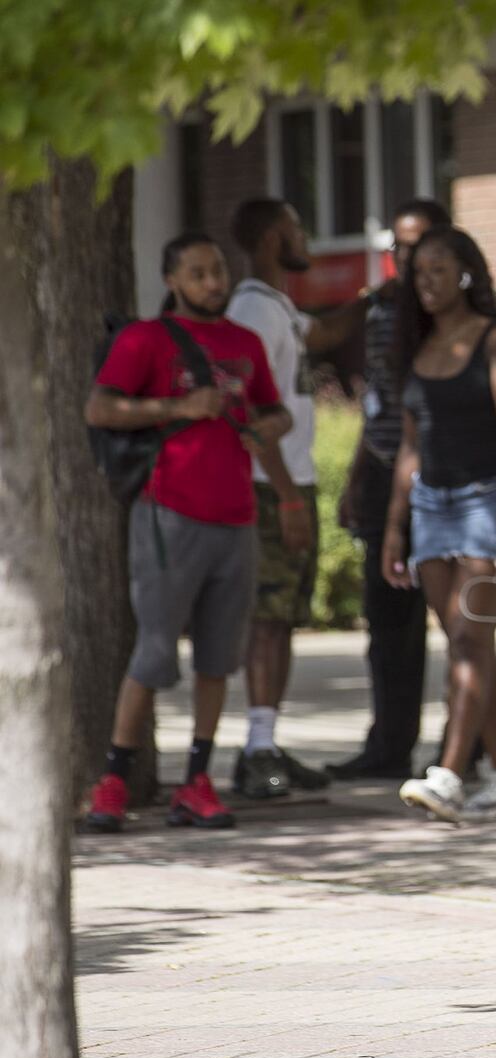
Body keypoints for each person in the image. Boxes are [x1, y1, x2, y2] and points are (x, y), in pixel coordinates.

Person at [83, 233, 292, 833]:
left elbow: (274, 410)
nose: (213, 282)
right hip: (168, 514)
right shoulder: (145, 339)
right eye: (198, 273)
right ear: (173, 279)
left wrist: (264, 429)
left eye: (218, 270)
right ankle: (114, 779)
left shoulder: (246, 343)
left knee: (218, 659)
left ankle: (197, 781)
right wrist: (177, 409)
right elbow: (100, 409)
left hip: (237, 519)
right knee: (153, 651)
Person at [383, 226, 496, 823]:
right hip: (431, 511)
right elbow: (409, 447)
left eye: (438, 271)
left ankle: (448, 775)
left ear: (466, 274)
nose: (425, 282)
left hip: (488, 504)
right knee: (467, 642)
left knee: (470, 637)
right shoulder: (419, 351)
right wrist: (396, 529)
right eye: (418, 273)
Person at [226, 197, 371, 797]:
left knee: (283, 617)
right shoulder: (252, 312)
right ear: (268, 239)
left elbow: (329, 330)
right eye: (293, 227)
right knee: (267, 618)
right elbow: (250, 414)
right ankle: (257, 750)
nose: (303, 235)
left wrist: (380, 295)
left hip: (290, 484)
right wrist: (285, 495)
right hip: (268, 489)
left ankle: (268, 741)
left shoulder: (278, 306)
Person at [325, 198, 453, 781]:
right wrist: (356, 475)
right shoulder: (378, 312)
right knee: (387, 619)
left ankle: (465, 747)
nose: (407, 257)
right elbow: (374, 401)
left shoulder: (461, 313)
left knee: (460, 621)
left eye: (419, 244)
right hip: (383, 471)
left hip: (446, 473)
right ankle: (388, 745)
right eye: (399, 246)